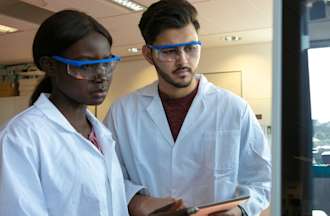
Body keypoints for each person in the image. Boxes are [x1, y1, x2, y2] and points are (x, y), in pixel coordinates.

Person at [104, 0, 271, 215]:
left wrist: (239, 210)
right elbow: (107, 176)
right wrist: (138, 203)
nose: (183, 61)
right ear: (148, 54)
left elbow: (262, 180)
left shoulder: (235, 109)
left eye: (191, 48)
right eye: (170, 51)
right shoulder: (122, 113)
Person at [0, 10, 128, 216]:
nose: (101, 76)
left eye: (106, 63)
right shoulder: (19, 138)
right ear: (50, 66)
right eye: (86, 66)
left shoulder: (100, 133)